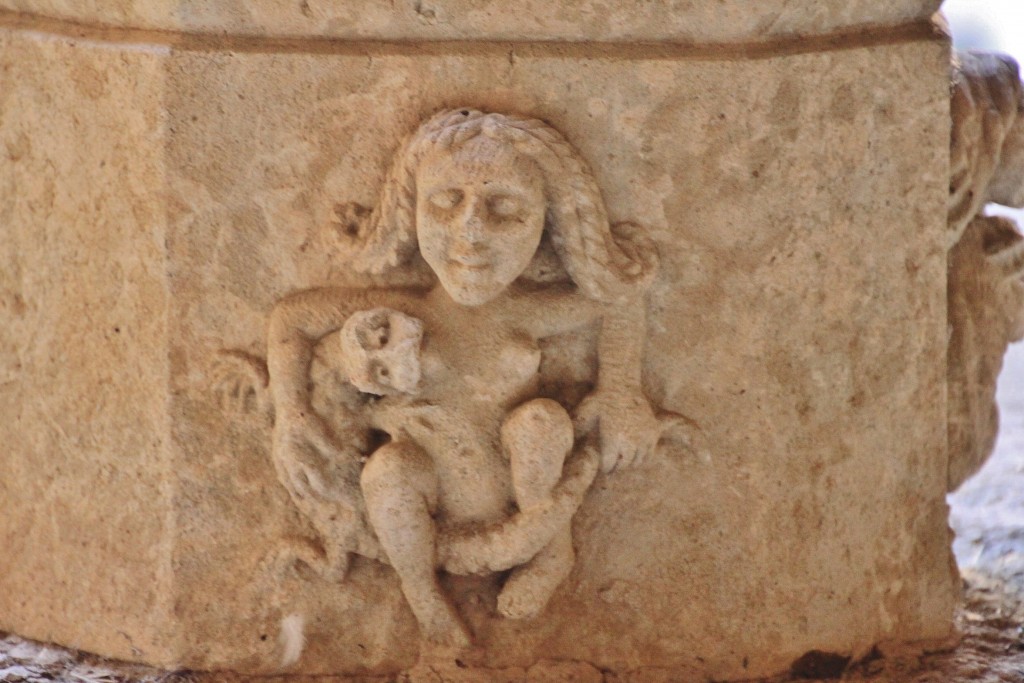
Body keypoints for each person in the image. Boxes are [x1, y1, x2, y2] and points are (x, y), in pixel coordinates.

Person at [266, 109, 662, 646]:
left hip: (517, 480)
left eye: (504, 208)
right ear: (410, 213)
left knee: (540, 423)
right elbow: (291, 318)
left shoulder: (520, 313)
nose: (470, 233)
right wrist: (291, 413)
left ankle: (552, 554)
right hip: (429, 479)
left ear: (550, 223)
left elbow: (618, 297)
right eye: (446, 202)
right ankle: (421, 591)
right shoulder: (400, 314)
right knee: (387, 474)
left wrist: (620, 392)